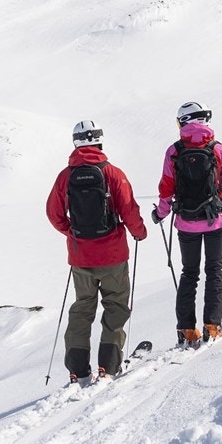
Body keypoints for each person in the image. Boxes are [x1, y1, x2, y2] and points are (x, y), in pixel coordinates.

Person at [46, 120, 147, 383]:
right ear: (99, 141)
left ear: (75, 143)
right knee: (115, 306)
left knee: (82, 309)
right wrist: (139, 232)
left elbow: (54, 214)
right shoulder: (113, 173)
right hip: (113, 255)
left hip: (81, 257)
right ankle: (109, 366)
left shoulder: (65, 176)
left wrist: (72, 233)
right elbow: (129, 209)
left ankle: (78, 370)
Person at [151, 101, 222, 348]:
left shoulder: (174, 151)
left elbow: (166, 189)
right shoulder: (218, 149)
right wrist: (217, 204)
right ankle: (213, 325)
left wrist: (160, 213)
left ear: (184, 121)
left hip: (186, 223)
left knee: (189, 273)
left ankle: (187, 330)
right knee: (214, 271)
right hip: (215, 223)